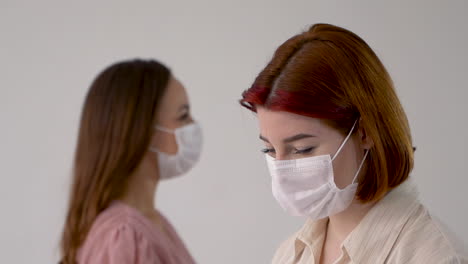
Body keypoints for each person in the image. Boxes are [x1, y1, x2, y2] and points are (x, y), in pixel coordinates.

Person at [240, 24, 467, 263]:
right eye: (270, 150)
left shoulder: (434, 256)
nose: (282, 173)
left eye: (302, 149)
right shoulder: (291, 254)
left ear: (365, 132)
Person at [60, 59, 202, 264]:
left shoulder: (151, 222)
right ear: (142, 131)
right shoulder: (126, 235)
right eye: (183, 116)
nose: (193, 125)